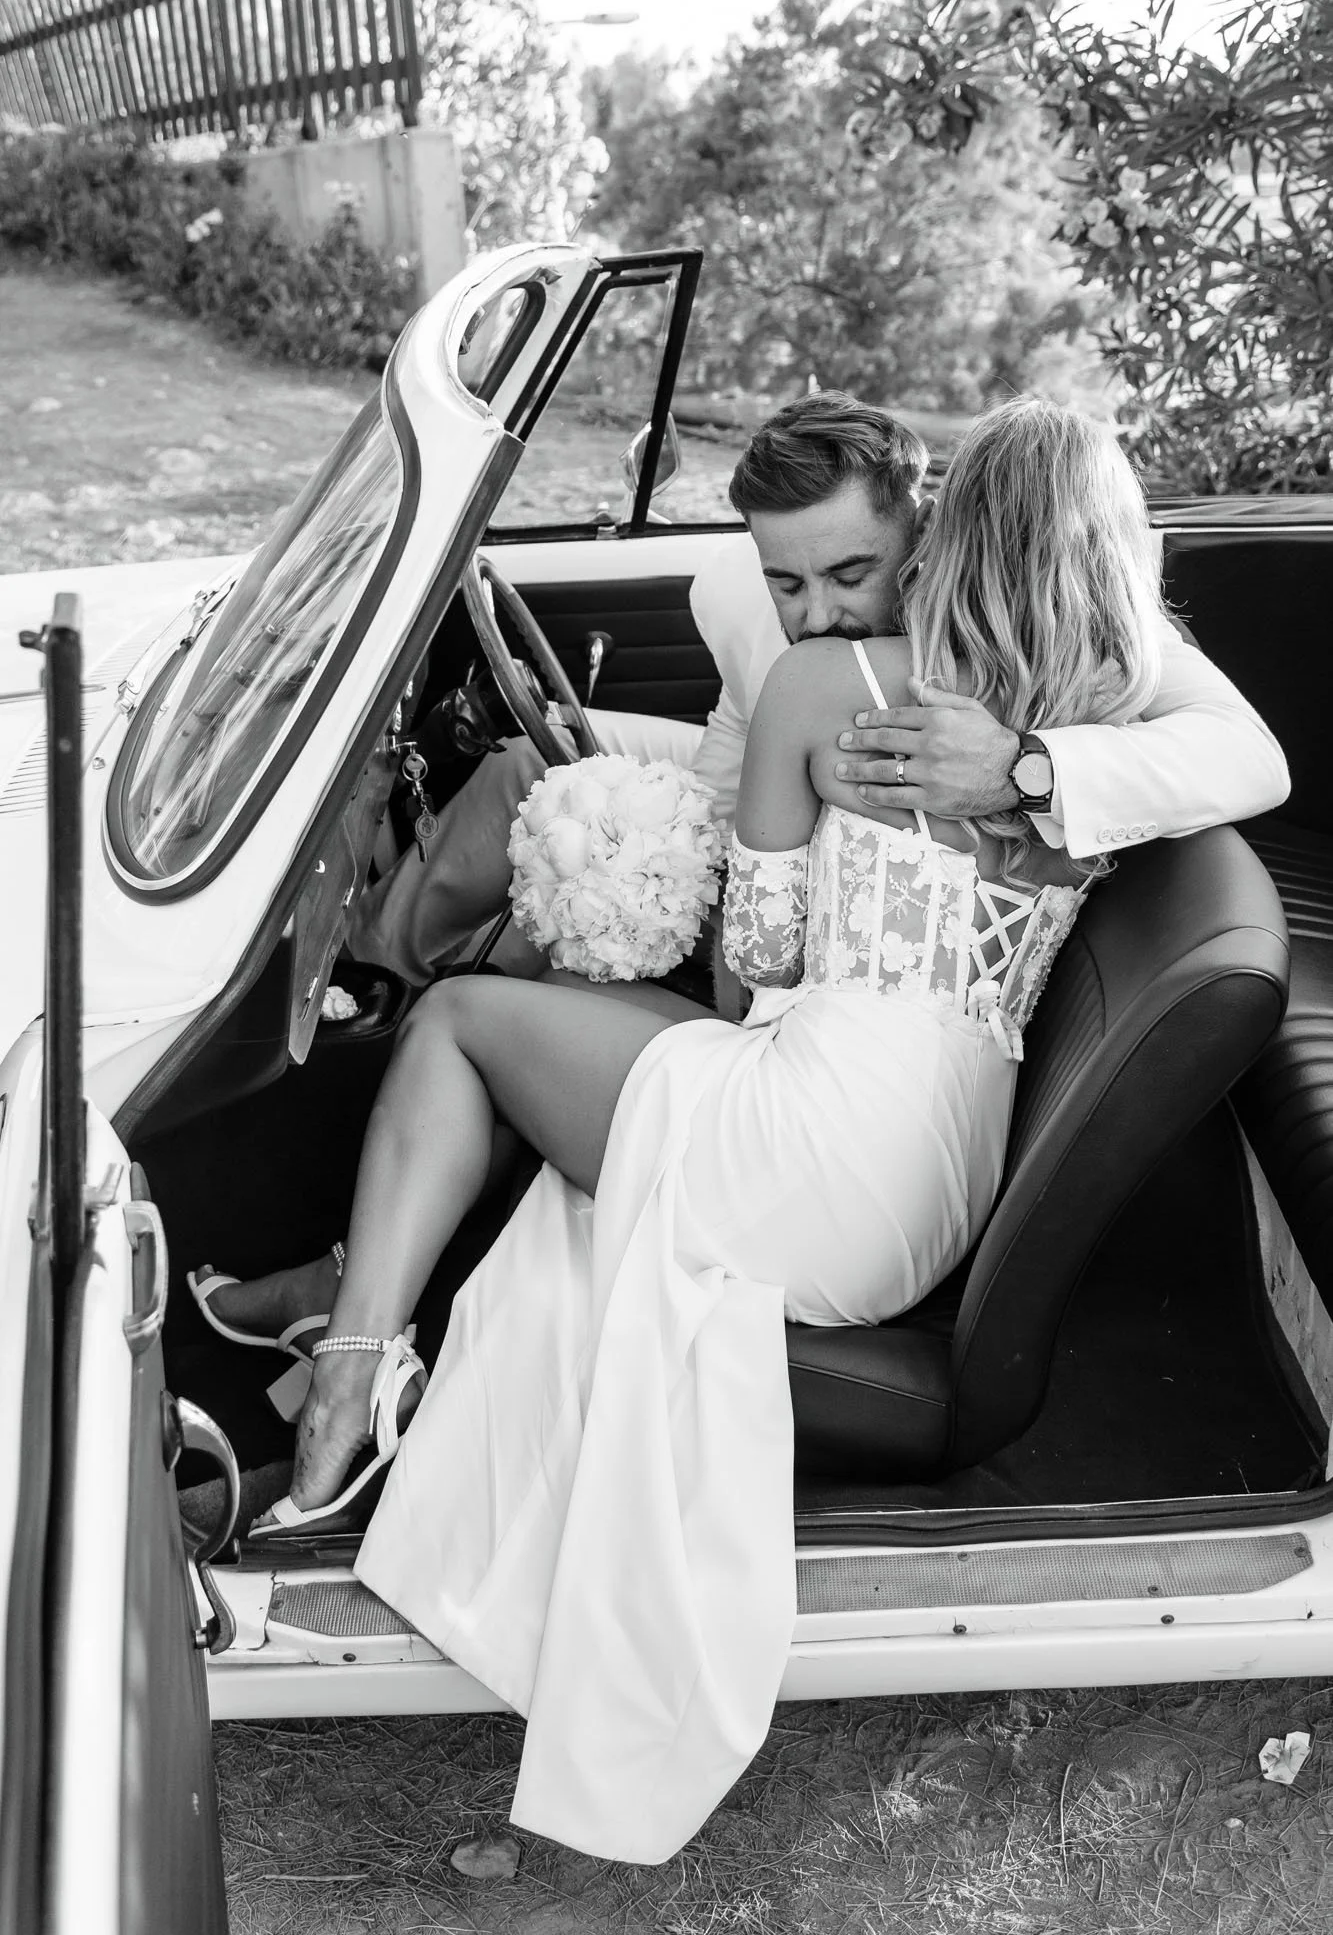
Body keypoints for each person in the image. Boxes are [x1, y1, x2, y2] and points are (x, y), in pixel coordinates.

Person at [201, 400, 1179, 1863]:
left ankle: (343, 1393)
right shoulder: (1107, 737)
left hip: (804, 1136)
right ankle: (353, 1318)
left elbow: (755, 970)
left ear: (953, 530)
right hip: (934, 1186)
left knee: (460, 1027)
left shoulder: (829, 684)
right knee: (576, 1070)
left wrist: (656, 897)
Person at [345, 390, 1289, 983]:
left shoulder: (1013, 616)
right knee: (537, 759)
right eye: (785, 582)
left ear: (919, 528)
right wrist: (658, 857)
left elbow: (1248, 757)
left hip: (901, 928)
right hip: (779, 839)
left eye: (847, 574)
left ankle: (448, 999)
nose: (816, 617)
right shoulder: (729, 599)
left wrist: (1021, 770)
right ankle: (376, 971)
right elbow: (731, 756)